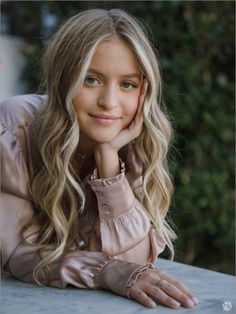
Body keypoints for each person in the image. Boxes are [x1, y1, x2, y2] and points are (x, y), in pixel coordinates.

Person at [0, 8, 199, 309]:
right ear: (63, 79)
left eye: (127, 85)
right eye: (91, 80)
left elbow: (132, 269)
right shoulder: (14, 128)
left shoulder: (135, 144)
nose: (109, 102)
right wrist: (103, 270)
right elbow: (18, 254)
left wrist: (108, 162)